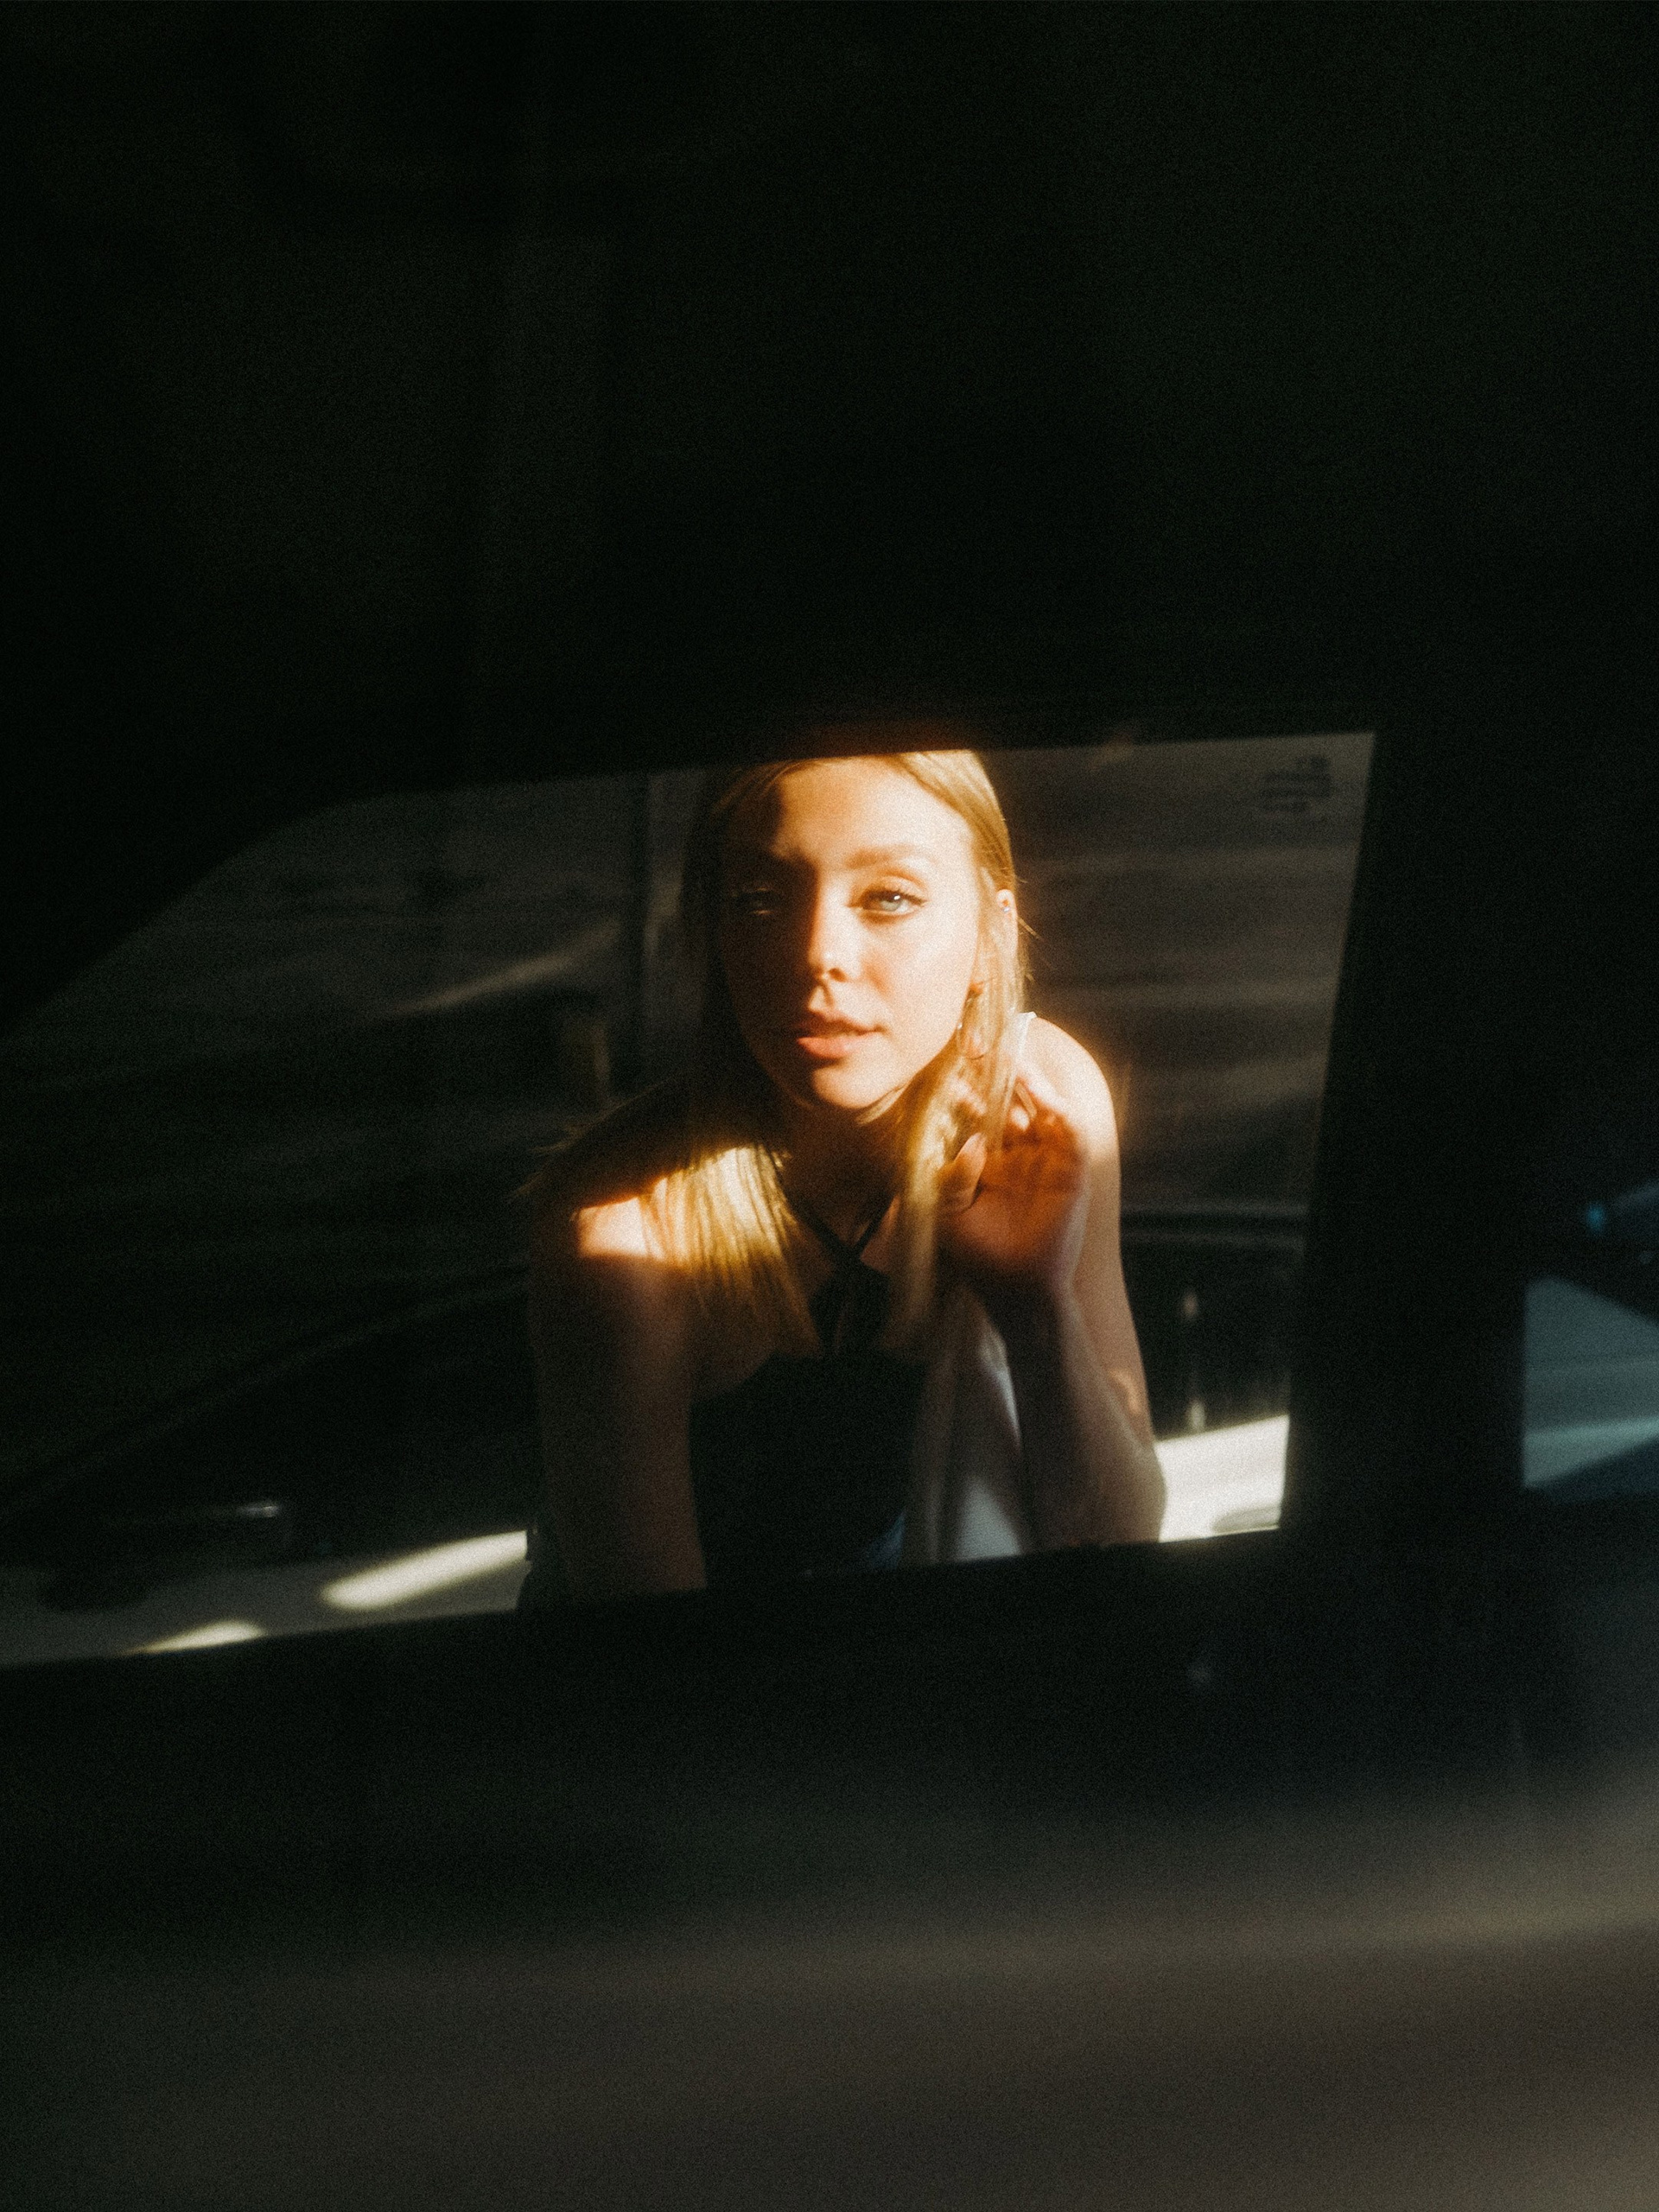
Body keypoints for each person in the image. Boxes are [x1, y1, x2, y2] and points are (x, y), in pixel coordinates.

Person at [519, 732, 1164, 1604]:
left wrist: (1035, 1306)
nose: (815, 953)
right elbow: (657, 1667)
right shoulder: (626, 1227)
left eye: (888, 897)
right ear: (714, 934)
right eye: (758, 899)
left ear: (991, 934)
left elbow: (1119, 1546)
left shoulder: (1038, 1111)